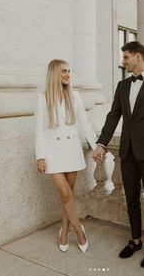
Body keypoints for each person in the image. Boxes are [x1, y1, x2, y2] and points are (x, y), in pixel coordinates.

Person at [93, 41, 144, 267]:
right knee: (131, 198)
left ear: (138, 57)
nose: (124, 62)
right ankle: (135, 240)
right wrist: (101, 144)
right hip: (127, 152)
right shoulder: (122, 85)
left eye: (126, 57)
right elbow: (113, 117)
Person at [35, 59, 97, 253]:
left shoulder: (74, 96)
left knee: (68, 195)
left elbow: (85, 123)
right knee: (65, 193)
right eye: (63, 71)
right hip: (53, 154)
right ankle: (79, 231)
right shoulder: (42, 98)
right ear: (54, 73)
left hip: (71, 150)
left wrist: (96, 146)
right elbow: (39, 130)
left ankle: (64, 230)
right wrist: (40, 156)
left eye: (69, 71)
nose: (68, 74)